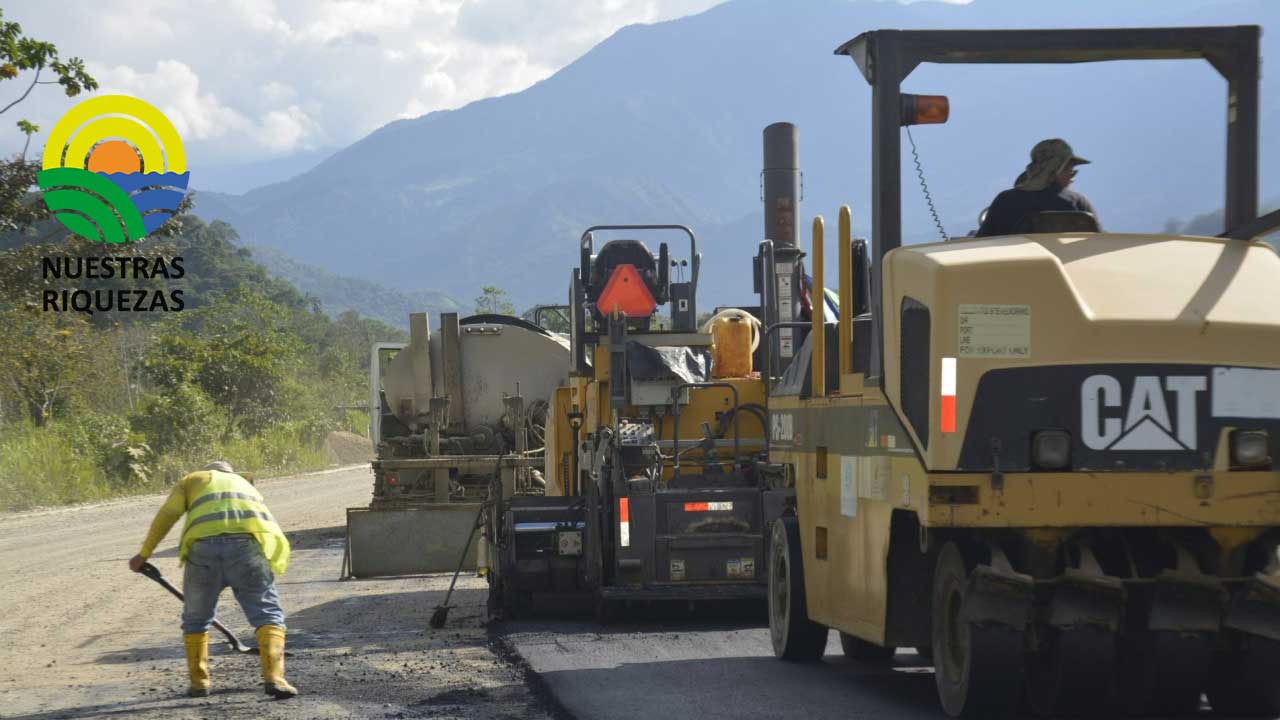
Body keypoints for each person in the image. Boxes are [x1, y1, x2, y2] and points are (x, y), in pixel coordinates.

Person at [128, 461, 297, 699]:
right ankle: (275, 678)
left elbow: (168, 514)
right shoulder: (244, 483)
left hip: (202, 552)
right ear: (230, 473)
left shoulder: (192, 480)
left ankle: (199, 683)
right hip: (246, 549)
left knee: (196, 619)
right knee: (267, 614)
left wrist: (144, 554)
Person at [976, 138, 1099, 237]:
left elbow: (983, 241)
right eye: (1070, 170)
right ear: (1056, 169)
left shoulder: (1005, 200)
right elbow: (1098, 243)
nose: (1072, 176)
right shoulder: (1078, 202)